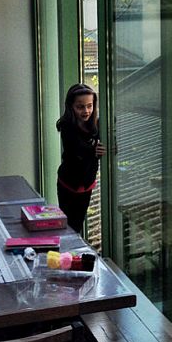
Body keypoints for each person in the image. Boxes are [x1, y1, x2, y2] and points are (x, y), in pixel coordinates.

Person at [56, 83, 105, 235]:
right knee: (70, 225)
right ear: (71, 106)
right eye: (80, 107)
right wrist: (95, 150)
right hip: (68, 184)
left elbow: (109, 144)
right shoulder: (66, 126)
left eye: (89, 106)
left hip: (87, 184)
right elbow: (76, 149)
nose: (86, 111)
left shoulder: (98, 125)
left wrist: (107, 147)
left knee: (77, 223)